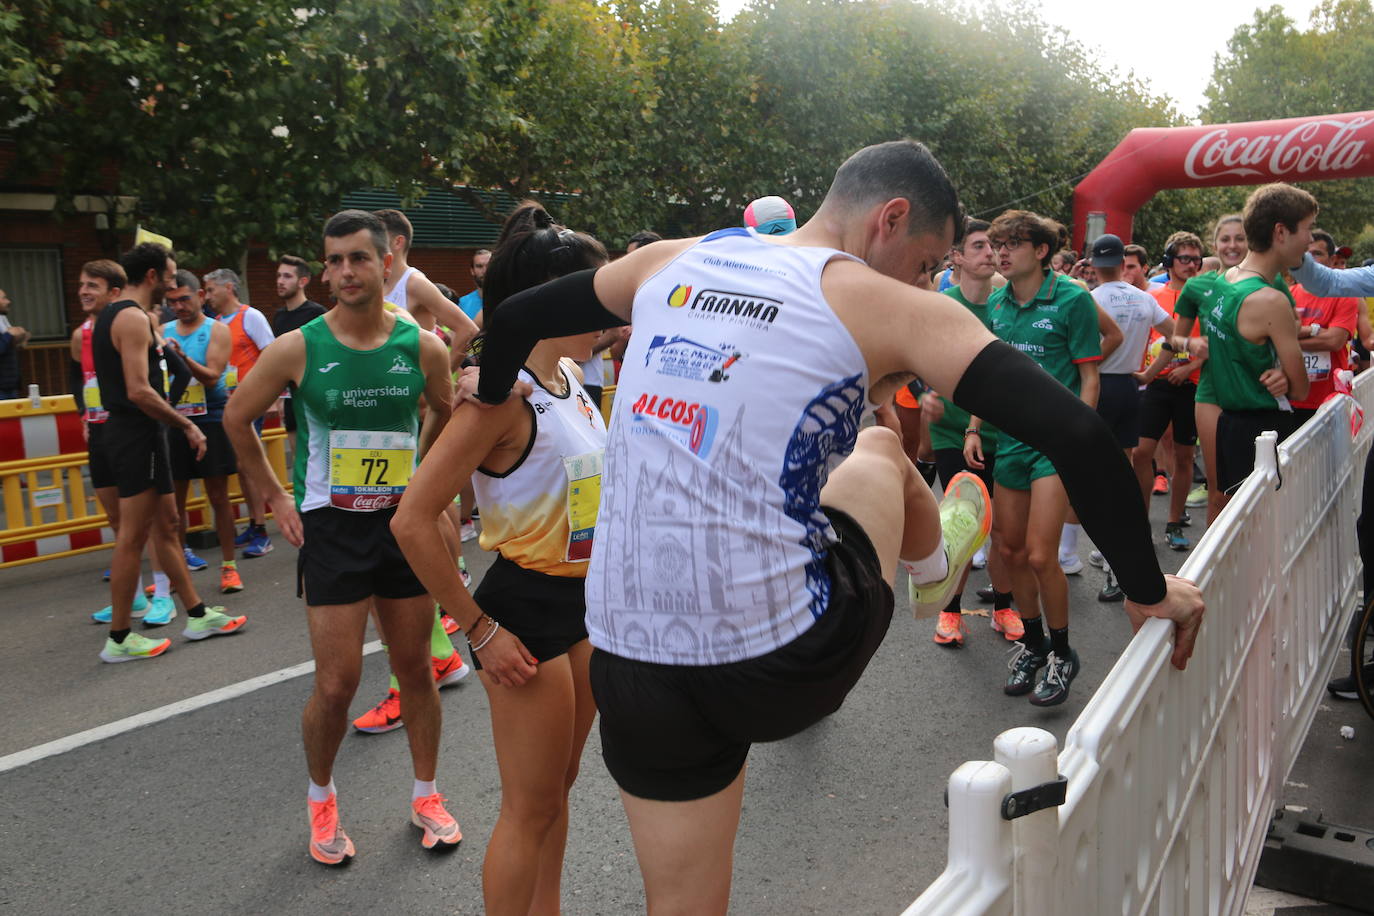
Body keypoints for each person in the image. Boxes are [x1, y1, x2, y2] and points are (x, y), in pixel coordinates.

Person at [473, 140, 1204, 914]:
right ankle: (935, 564)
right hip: (786, 653)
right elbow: (1081, 437)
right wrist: (1147, 590)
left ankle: (931, 564)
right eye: (927, 263)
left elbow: (516, 315)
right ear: (889, 220)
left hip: (631, 658)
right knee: (881, 444)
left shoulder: (668, 261)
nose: (929, 283)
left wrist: (485, 392)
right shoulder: (887, 303)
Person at [225, 209, 461, 864]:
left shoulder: (422, 346)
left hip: (401, 527)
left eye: (358, 257)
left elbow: (446, 409)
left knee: (415, 668)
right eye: (333, 260)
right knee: (338, 683)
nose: (344, 272)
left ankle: (426, 795)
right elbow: (238, 417)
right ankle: (322, 798)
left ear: (388, 263)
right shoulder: (299, 346)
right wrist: (274, 495)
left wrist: (426, 480)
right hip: (332, 526)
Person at [394, 203, 610, 916]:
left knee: (558, 791)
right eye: (595, 289)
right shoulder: (496, 397)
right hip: (524, 611)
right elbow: (414, 519)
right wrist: (477, 628)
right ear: (553, 299)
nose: (607, 301)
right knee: (528, 808)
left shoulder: (568, 377)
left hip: (583, 607)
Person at [966, 209, 1108, 707]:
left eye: (1013, 243)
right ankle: (1033, 642)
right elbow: (992, 378)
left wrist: (1079, 436)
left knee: (1042, 554)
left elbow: (1090, 377)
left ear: (1041, 250)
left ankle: (1063, 654)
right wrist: (975, 426)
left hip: (1055, 444)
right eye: (997, 243)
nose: (1001, 251)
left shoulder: (1071, 297)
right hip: (1011, 442)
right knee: (1009, 552)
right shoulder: (999, 301)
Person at [92, 243, 246, 661]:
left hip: (143, 432)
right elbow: (138, 389)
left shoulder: (131, 316)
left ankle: (196, 614)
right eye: (170, 276)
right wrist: (187, 423)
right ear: (152, 277)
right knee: (133, 536)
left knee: (168, 526)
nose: (174, 284)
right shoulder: (130, 317)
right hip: (137, 433)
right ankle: (120, 638)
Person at [921, 218, 1020, 646]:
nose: (990, 253)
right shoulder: (943, 305)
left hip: (1008, 433)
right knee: (963, 527)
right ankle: (949, 614)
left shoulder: (1008, 306)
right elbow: (917, 356)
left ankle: (1002, 608)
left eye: (994, 246)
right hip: (952, 432)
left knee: (1003, 533)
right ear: (957, 257)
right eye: (979, 246)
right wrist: (925, 389)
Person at [1204, 183, 1312, 507]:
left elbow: (1243, 351)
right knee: (1267, 541)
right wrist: (1284, 375)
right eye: (1307, 229)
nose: (1309, 239)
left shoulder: (1227, 279)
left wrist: (1276, 371)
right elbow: (1300, 390)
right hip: (1263, 434)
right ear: (1281, 232)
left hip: (1230, 425)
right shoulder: (1269, 299)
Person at [1085, 235, 1173, 601]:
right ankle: (1116, 554)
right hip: (1128, 388)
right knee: (1121, 471)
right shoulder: (1144, 298)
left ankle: (1110, 559)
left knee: (1097, 476)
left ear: (1092, 264)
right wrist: (1150, 374)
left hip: (1096, 386)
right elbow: (1176, 339)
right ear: (1123, 262)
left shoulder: (1089, 299)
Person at [162, 270, 243, 594]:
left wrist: (181, 358)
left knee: (219, 497)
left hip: (210, 417)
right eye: (172, 301)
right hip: (174, 419)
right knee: (173, 504)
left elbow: (212, 376)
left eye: (184, 299)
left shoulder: (217, 330)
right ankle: (177, 567)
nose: (179, 306)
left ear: (200, 296)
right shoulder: (162, 330)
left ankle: (229, 566)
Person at [1133, 231, 1205, 551]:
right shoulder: (1154, 297)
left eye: (1195, 259)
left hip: (1191, 385)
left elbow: (1215, 341)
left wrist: (1189, 368)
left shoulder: (1207, 297)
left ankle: (1174, 522)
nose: (1190, 264)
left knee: (1184, 455)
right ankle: (1139, 520)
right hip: (1157, 383)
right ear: (1169, 262)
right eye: (1184, 258)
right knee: (1141, 453)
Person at [205, 268, 276, 559]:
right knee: (240, 467)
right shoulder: (216, 324)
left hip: (252, 402)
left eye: (210, 290)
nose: (207, 296)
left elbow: (272, 354)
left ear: (229, 288)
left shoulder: (251, 316)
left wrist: (275, 397)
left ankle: (261, 531)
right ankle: (253, 524)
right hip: (228, 406)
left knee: (249, 465)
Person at [1289, 229, 1359, 425]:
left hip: (1329, 400)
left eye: (1317, 254)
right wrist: (1318, 330)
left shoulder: (1344, 295)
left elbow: (1334, 341)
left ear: (1331, 260)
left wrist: (1289, 339)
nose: (1310, 260)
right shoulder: (1286, 294)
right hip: (1289, 398)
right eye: (1306, 254)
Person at [270, 255, 327, 452]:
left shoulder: (317, 314)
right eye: (278, 276)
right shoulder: (279, 317)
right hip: (291, 399)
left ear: (303, 281)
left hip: (316, 397)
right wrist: (278, 398)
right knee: (298, 460)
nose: (280, 281)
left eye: (287, 276)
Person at [0, 287, 29, 398]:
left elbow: (6, 346)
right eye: (4, 298)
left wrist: (20, 339)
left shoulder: (2, 319)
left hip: (9, 385)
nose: (8, 302)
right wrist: (9, 334)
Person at [456, 249, 490, 323]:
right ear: (472, 271)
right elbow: (446, 327)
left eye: (489, 266)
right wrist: (446, 330)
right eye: (479, 266)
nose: (485, 271)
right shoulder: (462, 303)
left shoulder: (508, 299)